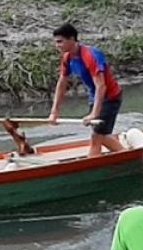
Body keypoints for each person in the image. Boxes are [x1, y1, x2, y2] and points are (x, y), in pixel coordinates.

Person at [47, 23, 126, 156]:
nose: (57, 46)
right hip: (94, 96)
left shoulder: (90, 55)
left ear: (72, 39)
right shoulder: (67, 57)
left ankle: (91, 166)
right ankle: (127, 154)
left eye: (60, 41)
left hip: (110, 97)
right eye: (56, 42)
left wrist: (95, 113)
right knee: (102, 135)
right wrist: (54, 112)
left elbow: (101, 86)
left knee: (96, 138)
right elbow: (62, 84)